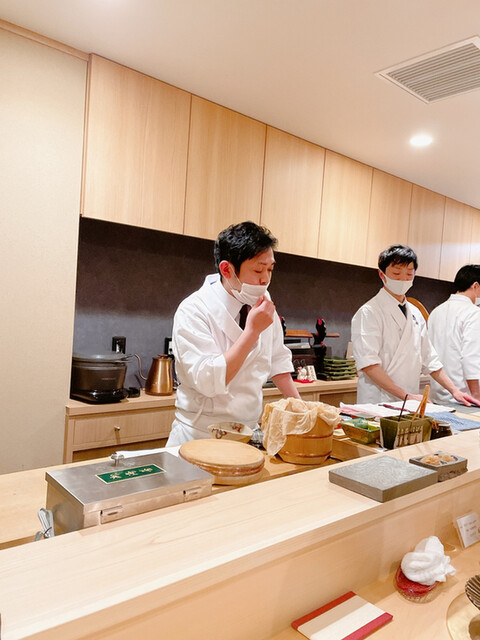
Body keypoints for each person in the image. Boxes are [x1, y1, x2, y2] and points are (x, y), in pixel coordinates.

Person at [166, 221, 300, 446]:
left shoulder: (262, 303)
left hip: (248, 431)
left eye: (270, 269)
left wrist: (302, 408)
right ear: (227, 270)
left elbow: (278, 360)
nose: (265, 279)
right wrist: (252, 332)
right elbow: (208, 380)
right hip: (200, 434)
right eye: (258, 270)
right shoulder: (194, 310)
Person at [351, 244, 477, 406]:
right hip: (378, 400)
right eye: (396, 273)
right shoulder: (369, 312)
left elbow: (430, 359)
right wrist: (406, 396)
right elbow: (369, 365)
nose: (403, 279)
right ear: (382, 274)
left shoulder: (415, 312)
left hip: (408, 400)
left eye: (409, 274)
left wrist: (455, 391)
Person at [428, 265, 480, 405]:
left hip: (438, 394)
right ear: (475, 286)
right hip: (464, 397)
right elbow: (471, 357)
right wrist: (476, 395)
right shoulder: (473, 313)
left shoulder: (436, 311)